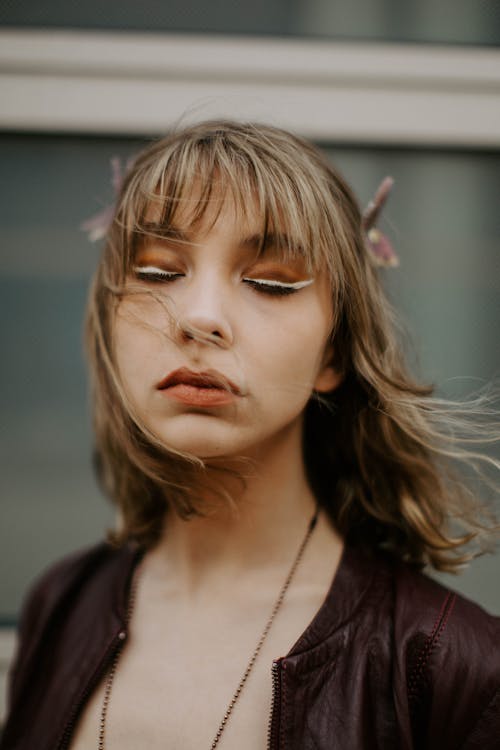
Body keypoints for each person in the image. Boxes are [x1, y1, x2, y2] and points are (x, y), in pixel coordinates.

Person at [2, 120, 499, 750]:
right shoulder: (60, 604)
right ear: (110, 319)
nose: (200, 318)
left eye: (270, 281)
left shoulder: (452, 666)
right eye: (157, 271)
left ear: (334, 354)